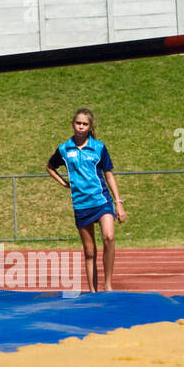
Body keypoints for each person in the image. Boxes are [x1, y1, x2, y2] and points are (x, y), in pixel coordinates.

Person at [45, 107, 126, 293]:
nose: (81, 127)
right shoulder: (64, 149)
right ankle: (93, 291)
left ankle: (108, 286)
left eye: (85, 124)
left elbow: (109, 175)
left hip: (101, 200)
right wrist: (64, 184)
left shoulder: (99, 147)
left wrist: (118, 203)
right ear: (73, 125)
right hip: (81, 204)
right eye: (78, 123)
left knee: (109, 237)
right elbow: (50, 167)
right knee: (89, 252)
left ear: (90, 127)